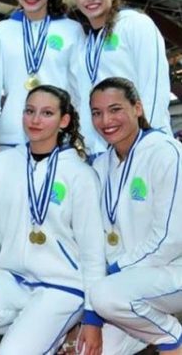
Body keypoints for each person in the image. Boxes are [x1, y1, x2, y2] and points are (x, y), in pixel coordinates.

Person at [0, 85, 105, 355]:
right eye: (29, 111)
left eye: (47, 113)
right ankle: (42, 331)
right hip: (13, 278)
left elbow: (93, 250)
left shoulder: (80, 175)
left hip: (62, 285)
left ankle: (45, 330)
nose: (35, 120)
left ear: (64, 121)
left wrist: (92, 316)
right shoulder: (3, 163)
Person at [88, 77, 182, 355]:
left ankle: (172, 338)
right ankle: (147, 326)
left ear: (137, 108)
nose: (106, 120)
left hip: (172, 269)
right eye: (97, 113)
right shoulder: (101, 165)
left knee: (104, 294)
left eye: (115, 109)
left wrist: (113, 270)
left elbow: (170, 239)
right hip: (131, 283)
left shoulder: (167, 153)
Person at [71, 0, 171, 156]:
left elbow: (154, 84)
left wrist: (146, 138)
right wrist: (88, 145)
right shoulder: (86, 46)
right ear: (76, 0)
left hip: (144, 145)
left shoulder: (136, 23)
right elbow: (83, 99)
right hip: (102, 152)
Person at [0, 0, 83, 149]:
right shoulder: (0, 30)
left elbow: (79, 89)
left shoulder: (72, 30)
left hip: (57, 137)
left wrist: (78, 134)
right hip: (10, 136)